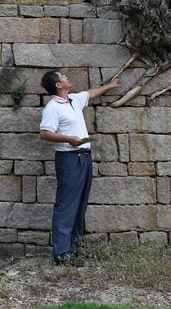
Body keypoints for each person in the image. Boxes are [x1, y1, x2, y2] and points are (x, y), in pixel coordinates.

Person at [39, 69, 120, 266]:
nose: (67, 77)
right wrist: (69, 139)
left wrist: (110, 86)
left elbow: (91, 93)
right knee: (66, 205)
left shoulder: (74, 100)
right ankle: (61, 254)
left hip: (84, 158)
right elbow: (45, 133)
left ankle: (74, 250)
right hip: (69, 159)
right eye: (62, 76)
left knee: (80, 205)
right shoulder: (52, 108)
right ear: (58, 85)